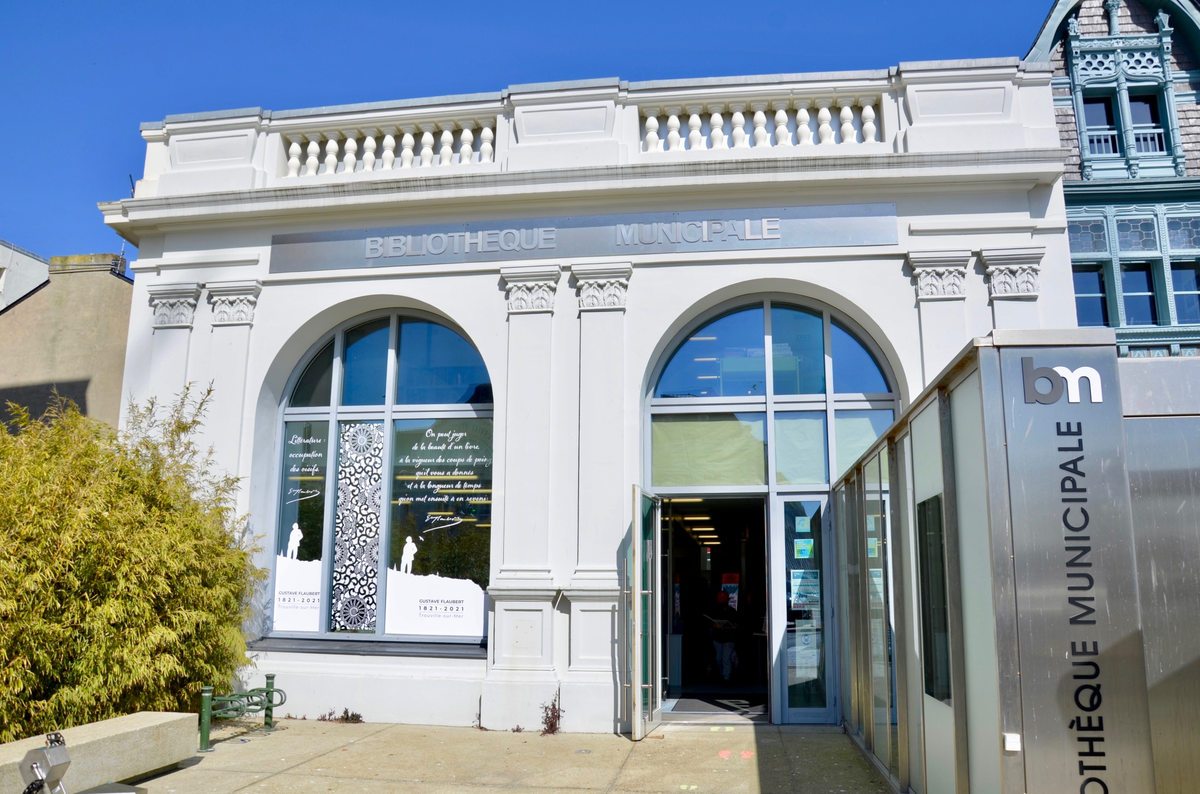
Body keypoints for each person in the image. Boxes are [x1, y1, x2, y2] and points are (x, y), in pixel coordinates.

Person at [710, 590, 738, 683]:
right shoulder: (715, 610)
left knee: (726, 659)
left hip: (728, 638)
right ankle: (723, 675)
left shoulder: (732, 611)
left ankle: (726, 678)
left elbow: (736, 624)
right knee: (719, 659)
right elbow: (710, 623)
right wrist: (715, 626)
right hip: (718, 638)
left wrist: (731, 626)